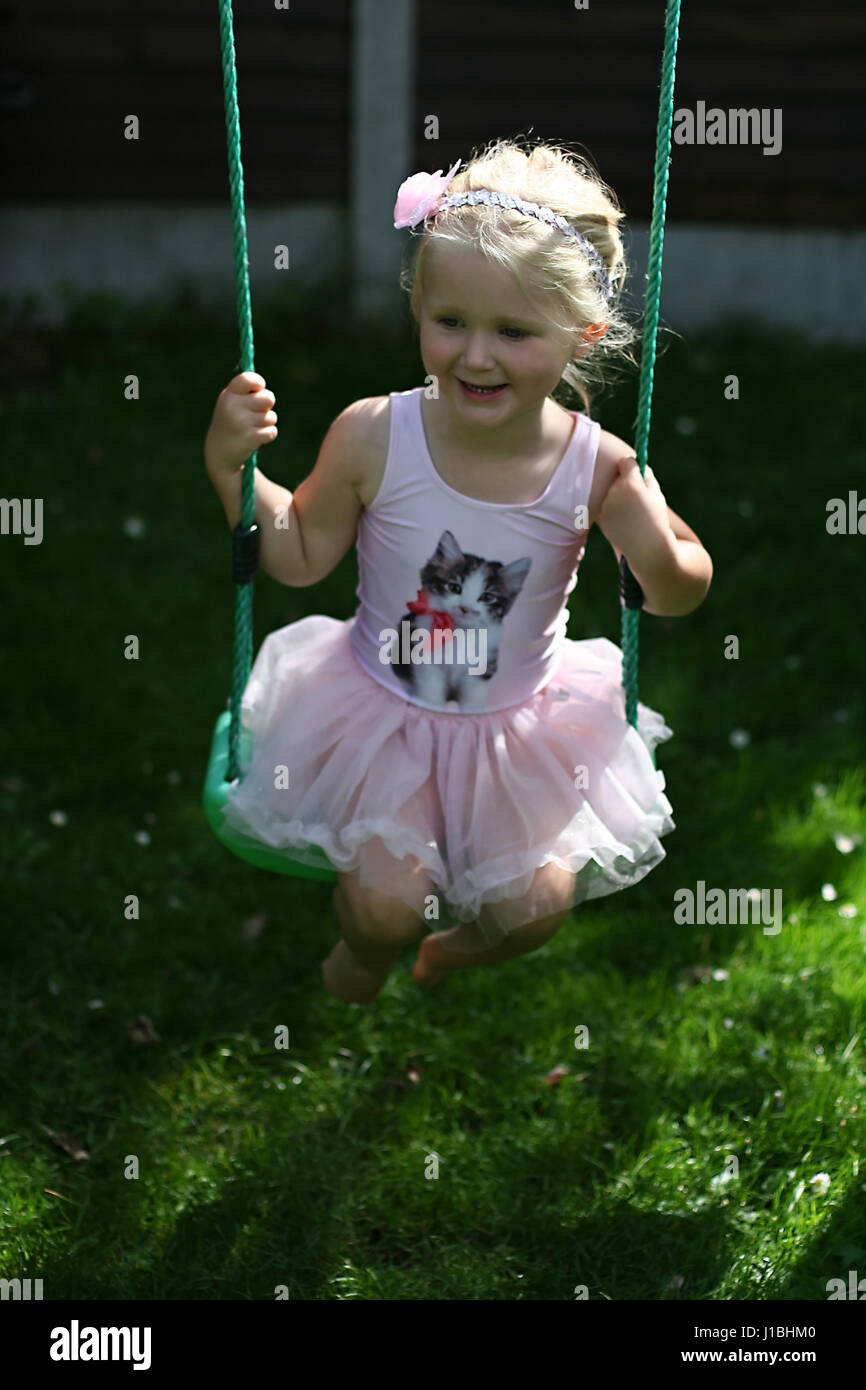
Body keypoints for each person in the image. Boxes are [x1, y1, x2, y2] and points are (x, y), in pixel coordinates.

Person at [204, 137, 713, 1006]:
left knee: (531, 913)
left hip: (524, 729)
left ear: (582, 335)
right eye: (451, 323)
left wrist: (655, 548)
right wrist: (231, 470)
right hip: (379, 714)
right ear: (420, 309)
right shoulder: (374, 434)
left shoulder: (598, 468)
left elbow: (680, 588)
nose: (476, 357)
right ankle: (362, 962)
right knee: (379, 906)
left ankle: (452, 954)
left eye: (513, 333)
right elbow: (295, 553)